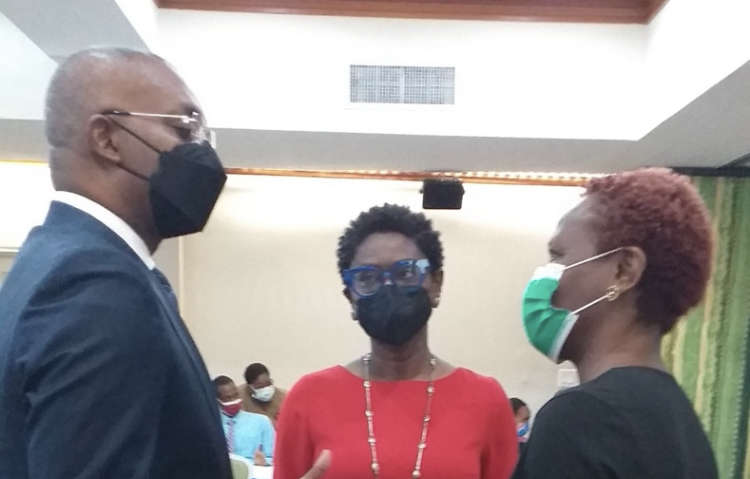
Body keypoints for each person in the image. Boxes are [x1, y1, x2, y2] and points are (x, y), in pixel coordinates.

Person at [0, 48, 230, 478]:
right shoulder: (96, 284)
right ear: (107, 139)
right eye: (183, 128)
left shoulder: (52, 261)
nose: (199, 151)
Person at [274, 204, 518, 479]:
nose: (388, 287)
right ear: (351, 297)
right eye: (367, 278)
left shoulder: (485, 398)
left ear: (436, 284)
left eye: (406, 273)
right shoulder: (309, 397)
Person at [513, 168, 718, 478]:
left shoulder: (581, 418)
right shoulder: (681, 422)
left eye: (557, 257)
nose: (543, 280)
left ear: (623, 271)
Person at [215, 376, 275, 466]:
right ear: (217, 401)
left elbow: (275, 457)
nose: (234, 401)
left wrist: (264, 462)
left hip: (254, 470)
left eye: (236, 395)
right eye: (228, 398)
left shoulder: (261, 421)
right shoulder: (210, 427)